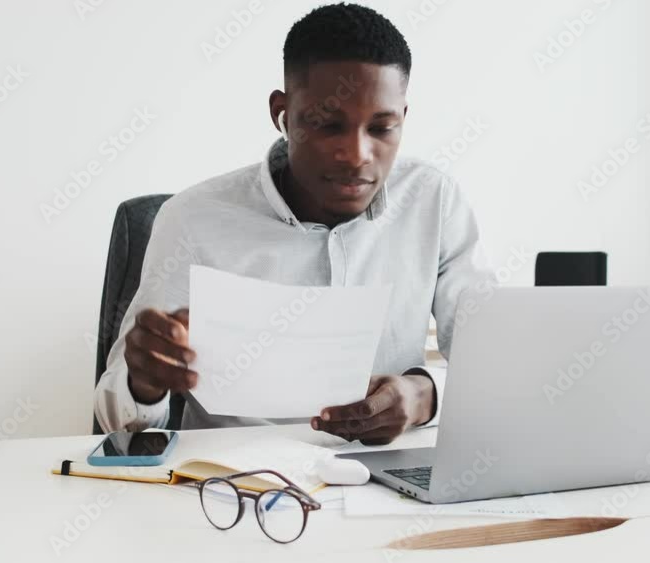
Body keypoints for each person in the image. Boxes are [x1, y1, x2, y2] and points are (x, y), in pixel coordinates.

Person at [94, 3, 492, 445]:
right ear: (282, 113)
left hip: (388, 488)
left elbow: (498, 371)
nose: (357, 155)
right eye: (327, 125)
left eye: (382, 128)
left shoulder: (434, 201)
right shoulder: (191, 220)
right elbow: (118, 425)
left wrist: (424, 395)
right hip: (233, 493)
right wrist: (143, 384)